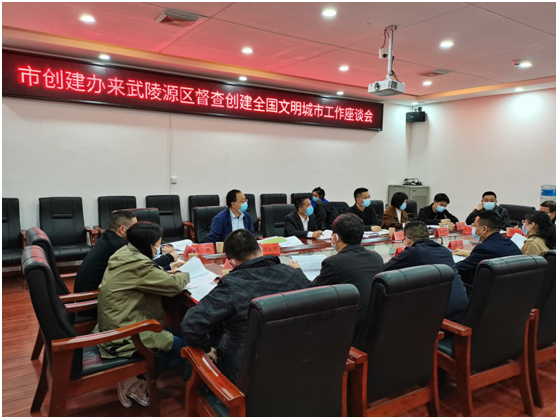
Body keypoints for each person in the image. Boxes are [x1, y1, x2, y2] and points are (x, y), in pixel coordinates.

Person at [181, 229, 309, 383]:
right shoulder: (294, 274)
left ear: (232, 263)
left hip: (246, 372)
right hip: (296, 361)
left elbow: (190, 325)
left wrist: (207, 348)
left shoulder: (232, 285)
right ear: (260, 249)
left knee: (192, 363)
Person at [96, 222, 190, 408]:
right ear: (148, 246)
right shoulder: (139, 265)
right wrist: (184, 273)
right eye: (158, 245)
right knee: (189, 351)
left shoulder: (124, 253)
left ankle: (137, 377)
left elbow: (150, 272)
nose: (159, 249)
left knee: (183, 337)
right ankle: (134, 377)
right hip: (126, 332)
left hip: (118, 321)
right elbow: (173, 286)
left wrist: (167, 271)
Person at [307, 213, 383, 340]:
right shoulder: (376, 258)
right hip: (374, 329)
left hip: (349, 332)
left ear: (335, 237)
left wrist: (297, 271)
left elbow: (312, 293)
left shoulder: (334, 262)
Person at [74, 210, 181, 293]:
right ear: (123, 229)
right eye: (135, 227)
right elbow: (145, 267)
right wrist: (169, 258)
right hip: (93, 297)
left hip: (95, 289)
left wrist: (161, 249)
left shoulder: (109, 238)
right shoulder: (120, 247)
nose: (137, 229)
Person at [383, 221, 468, 321]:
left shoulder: (413, 251)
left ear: (407, 240)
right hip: (463, 310)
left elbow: (384, 270)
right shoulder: (444, 251)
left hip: (441, 317)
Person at [454, 211, 521, 287]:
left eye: (474, 226)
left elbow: (457, 268)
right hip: (511, 289)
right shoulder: (510, 244)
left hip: (489, 291)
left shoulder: (483, 249)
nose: (473, 229)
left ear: (484, 229)